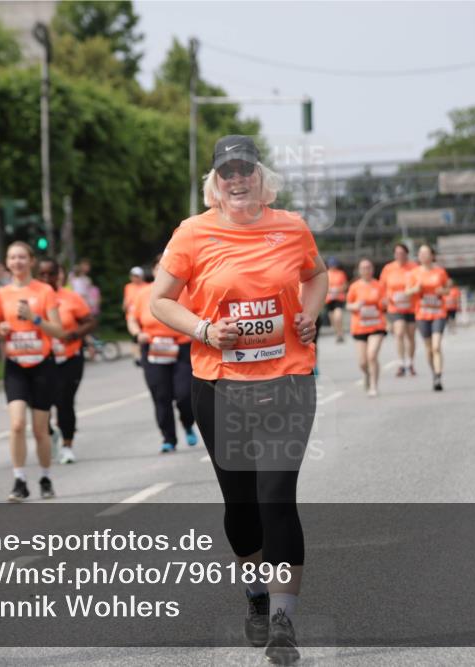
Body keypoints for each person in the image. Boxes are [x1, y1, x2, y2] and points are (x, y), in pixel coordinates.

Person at [151, 135, 326, 665]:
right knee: (242, 508)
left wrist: (310, 313)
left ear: (260, 175)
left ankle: (283, 621)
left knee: (277, 499)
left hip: (288, 380)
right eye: (226, 172)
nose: (237, 179)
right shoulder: (193, 233)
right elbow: (160, 300)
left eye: (244, 169)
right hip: (220, 386)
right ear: (214, 183)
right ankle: (254, 593)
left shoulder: (291, 227)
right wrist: (204, 329)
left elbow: (315, 276)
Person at [0, 242, 67, 502]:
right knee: (16, 424)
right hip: (15, 365)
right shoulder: (1, 294)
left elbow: (59, 331)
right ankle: (20, 480)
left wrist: (35, 318)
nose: (17, 262)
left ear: (31, 261)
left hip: (42, 365)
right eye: (12, 257)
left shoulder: (44, 290)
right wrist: (0, 330)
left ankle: (45, 477)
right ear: (7, 262)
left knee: (39, 429)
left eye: (22, 257)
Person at [126, 272, 198, 453]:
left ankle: (188, 422)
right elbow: (132, 318)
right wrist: (137, 334)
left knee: (184, 394)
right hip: (153, 347)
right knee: (161, 395)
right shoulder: (144, 292)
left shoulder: (188, 291)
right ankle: (168, 438)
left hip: (182, 347)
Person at [36, 258, 95, 465]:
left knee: (64, 402)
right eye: (41, 274)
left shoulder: (70, 297)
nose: (46, 278)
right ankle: (50, 432)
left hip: (69, 357)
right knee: (42, 404)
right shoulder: (32, 298)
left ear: (58, 275)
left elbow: (89, 321)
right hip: (42, 358)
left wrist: (74, 334)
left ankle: (67, 445)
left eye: (50, 274)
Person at [406, 244, 450, 391]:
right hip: (422, 314)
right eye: (421, 253)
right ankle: (434, 372)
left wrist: (442, 291)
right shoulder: (414, 273)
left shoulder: (440, 272)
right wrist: (415, 289)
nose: (423, 255)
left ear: (432, 255)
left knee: (436, 346)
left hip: (438, 313)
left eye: (426, 253)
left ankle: (438, 376)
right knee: (429, 348)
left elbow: (448, 289)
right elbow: (407, 292)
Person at [346, 258, 387, 397]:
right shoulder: (354, 286)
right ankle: (367, 374)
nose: (366, 270)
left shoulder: (379, 286)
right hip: (360, 327)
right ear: (359, 270)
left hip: (377, 325)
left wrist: (384, 303)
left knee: (372, 355)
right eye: (363, 267)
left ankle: (374, 386)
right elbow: (348, 305)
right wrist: (355, 306)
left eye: (368, 267)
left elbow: (385, 304)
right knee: (362, 362)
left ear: (372, 269)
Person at [379, 243, 418, 376]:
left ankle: (410, 362)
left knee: (410, 335)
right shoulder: (388, 269)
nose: (399, 255)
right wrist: (384, 299)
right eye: (397, 253)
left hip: (411, 307)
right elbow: (382, 287)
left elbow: (419, 284)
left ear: (407, 254)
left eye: (402, 253)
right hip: (394, 307)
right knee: (399, 332)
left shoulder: (414, 267)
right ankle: (401, 363)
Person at [324, 257, 348, 342]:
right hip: (329, 299)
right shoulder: (326, 274)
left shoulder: (341, 273)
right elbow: (323, 287)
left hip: (338, 298)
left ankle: (340, 333)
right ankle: (338, 333)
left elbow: (345, 285)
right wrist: (330, 290)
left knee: (338, 316)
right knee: (332, 318)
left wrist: (337, 289)